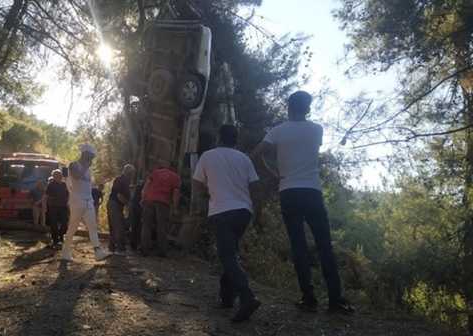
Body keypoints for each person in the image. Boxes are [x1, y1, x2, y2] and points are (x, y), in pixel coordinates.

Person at [253, 90, 354, 314]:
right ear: (307, 108)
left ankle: (308, 299)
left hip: (288, 191)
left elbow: (257, 153)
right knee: (324, 245)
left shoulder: (277, 131)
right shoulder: (317, 130)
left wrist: (272, 173)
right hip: (312, 191)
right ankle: (335, 300)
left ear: (288, 106)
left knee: (298, 246)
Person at [192, 124, 262, 323]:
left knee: (227, 255)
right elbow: (255, 186)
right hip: (243, 212)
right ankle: (227, 297)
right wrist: (258, 212)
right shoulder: (244, 158)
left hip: (221, 211)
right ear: (235, 140)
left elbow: (196, 184)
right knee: (230, 253)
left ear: (219, 138)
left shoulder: (207, 156)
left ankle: (247, 297)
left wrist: (208, 193)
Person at [60, 144, 111, 262]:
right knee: (72, 227)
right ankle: (66, 251)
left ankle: (98, 251)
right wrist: (85, 167)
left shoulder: (89, 169)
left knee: (93, 226)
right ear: (84, 154)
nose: (92, 159)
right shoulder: (73, 165)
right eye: (90, 156)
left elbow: (88, 186)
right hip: (77, 201)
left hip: (88, 201)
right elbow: (77, 177)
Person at [140, 163, 180, 257]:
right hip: (163, 203)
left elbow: (147, 185)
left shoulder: (155, 172)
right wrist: (175, 207)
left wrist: (143, 198)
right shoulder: (175, 177)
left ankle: (144, 250)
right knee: (161, 227)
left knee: (146, 225)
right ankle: (162, 251)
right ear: (174, 168)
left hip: (149, 200)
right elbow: (176, 193)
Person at [107, 164, 136, 254]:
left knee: (114, 226)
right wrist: (128, 204)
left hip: (116, 205)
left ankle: (112, 247)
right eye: (132, 173)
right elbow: (119, 195)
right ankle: (120, 248)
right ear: (128, 172)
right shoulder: (121, 180)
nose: (132, 175)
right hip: (114, 204)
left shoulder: (126, 181)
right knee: (119, 226)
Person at [45, 169, 69, 248]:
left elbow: (69, 194)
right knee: (53, 223)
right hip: (53, 206)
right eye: (56, 175)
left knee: (64, 222)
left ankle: (61, 236)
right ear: (53, 176)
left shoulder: (64, 185)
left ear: (61, 176)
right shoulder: (51, 185)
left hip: (63, 206)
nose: (58, 177)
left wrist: (69, 203)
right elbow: (46, 196)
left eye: (59, 175)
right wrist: (45, 206)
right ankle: (55, 240)